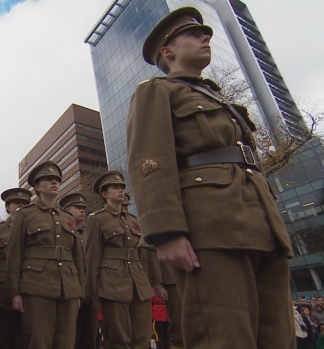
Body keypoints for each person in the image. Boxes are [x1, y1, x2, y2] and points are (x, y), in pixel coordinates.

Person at [126, 6, 295, 348]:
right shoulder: (157, 92)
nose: (206, 36)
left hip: (262, 225)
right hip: (211, 226)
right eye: (193, 33)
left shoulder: (219, 99)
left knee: (278, 338)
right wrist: (166, 231)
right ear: (167, 50)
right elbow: (149, 161)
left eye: (205, 33)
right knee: (223, 336)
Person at [5, 161, 85, 349]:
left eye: (57, 179)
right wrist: (14, 292)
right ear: (37, 187)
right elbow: (14, 256)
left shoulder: (68, 218)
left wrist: (79, 290)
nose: (54, 182)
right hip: (37, 287)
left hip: (69, 288)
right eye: (48, 179)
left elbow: (77, 258)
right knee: (39, 341)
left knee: (66, 342)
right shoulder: (24, 215)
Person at [85, 171, 153, 349]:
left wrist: (146, 281)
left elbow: (142, 256)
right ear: (104, 194)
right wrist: (94, 293)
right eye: (115, 188)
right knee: (119, 338)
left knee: (143, 337)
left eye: (122, 187)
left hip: (138, 285)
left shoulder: (133, 221)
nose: (121, 190)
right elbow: (92, 258)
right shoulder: (97, 219)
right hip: (113, 285)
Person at [0, 188, 31, 349]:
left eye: (25, 203)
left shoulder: (33, 231)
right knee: (0, 340)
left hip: (27, 293)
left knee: (23, 341)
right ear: (7, 207)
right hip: (0, 294)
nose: (22, 205)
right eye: (17, 203)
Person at [59, 192, 97, 349]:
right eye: (78, 207)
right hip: (71, 292)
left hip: (89, 293)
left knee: (90, 337)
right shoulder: (61, 232)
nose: (83, 210)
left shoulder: (88, 233)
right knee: (69, 337)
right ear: (67, 209)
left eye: (84, 208)